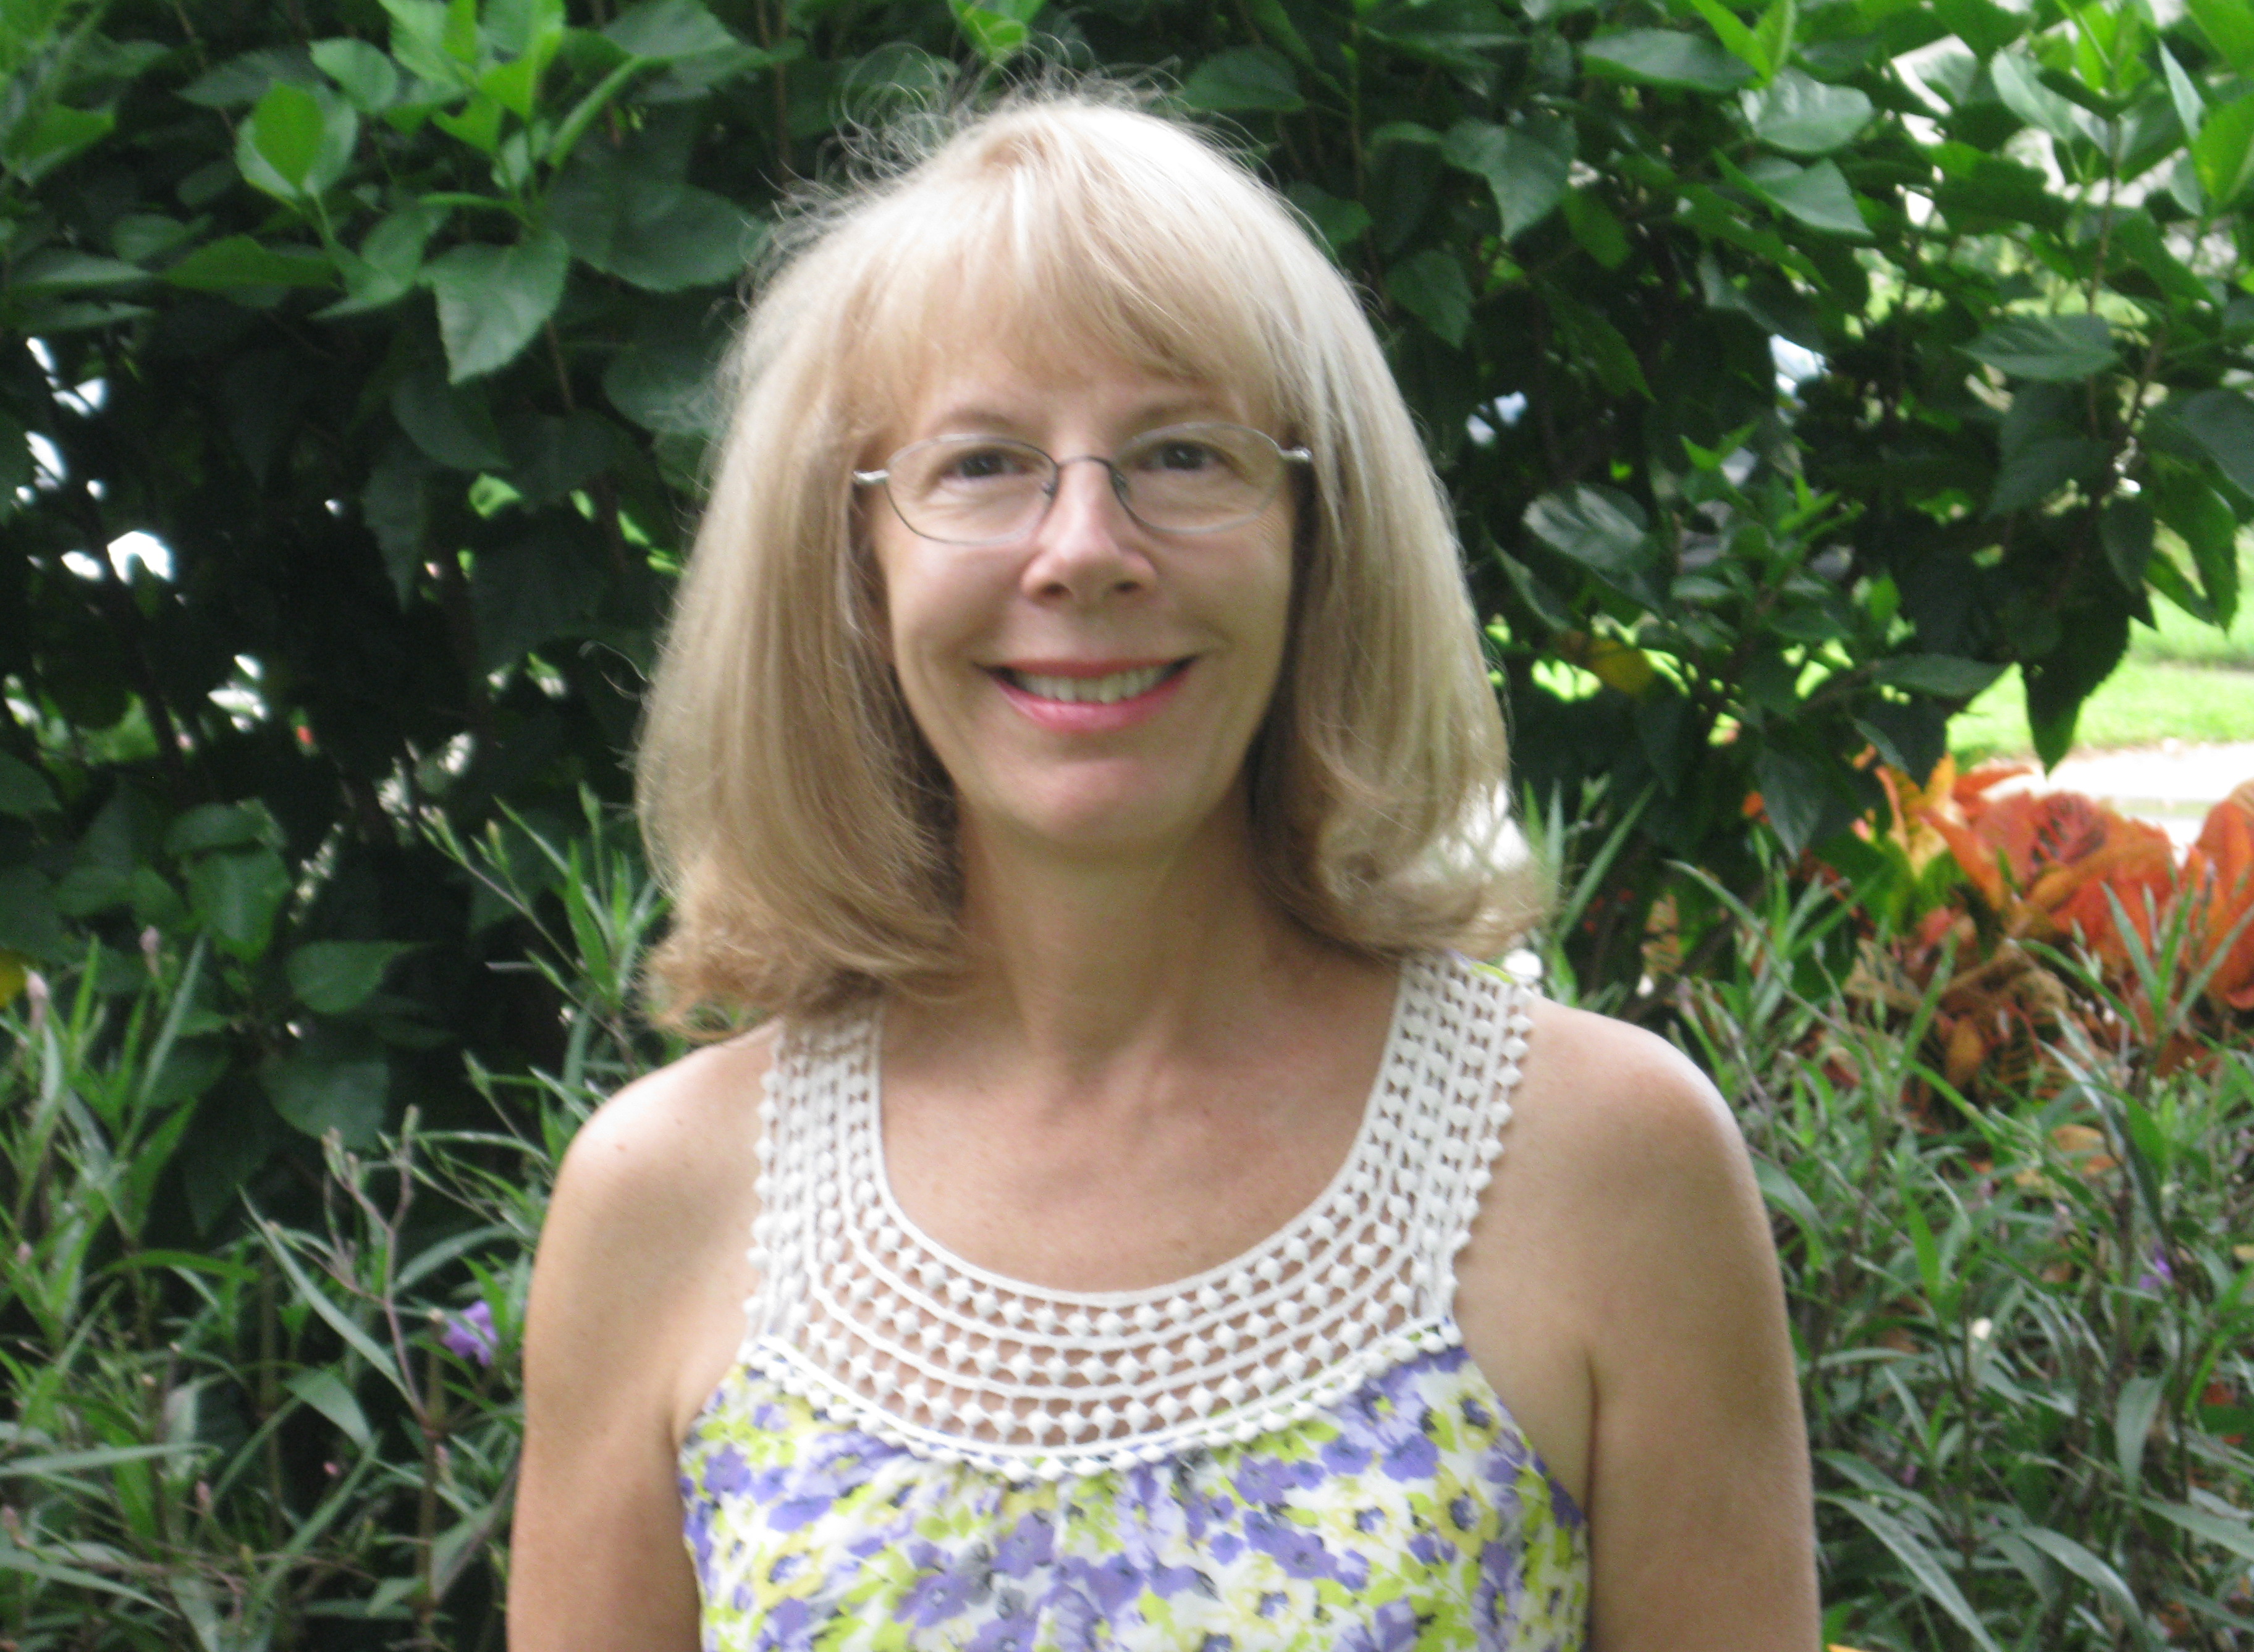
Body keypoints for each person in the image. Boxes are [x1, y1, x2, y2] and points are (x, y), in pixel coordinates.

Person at [506, 90, 1819, 1651]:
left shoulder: (1606, 1167)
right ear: (850, 566)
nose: (1083, 548)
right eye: (983, 463)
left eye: (1185, 454)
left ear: (1320, 540)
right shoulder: (665, 1204)